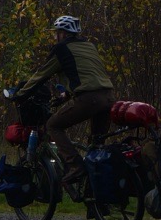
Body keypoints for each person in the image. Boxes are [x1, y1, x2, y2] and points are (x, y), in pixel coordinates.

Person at [15, 14, 115, 185]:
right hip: (108, 98)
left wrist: (20, 94)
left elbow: (41, 75)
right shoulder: (89, 46)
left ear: (63, 33)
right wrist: (66, 96)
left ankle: (75, 165)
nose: (55, 36)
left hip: (89, 99)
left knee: (53, 125)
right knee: (96, 146)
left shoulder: (61, 49)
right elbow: (86, 75)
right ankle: (94, 193)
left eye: (57, 32)